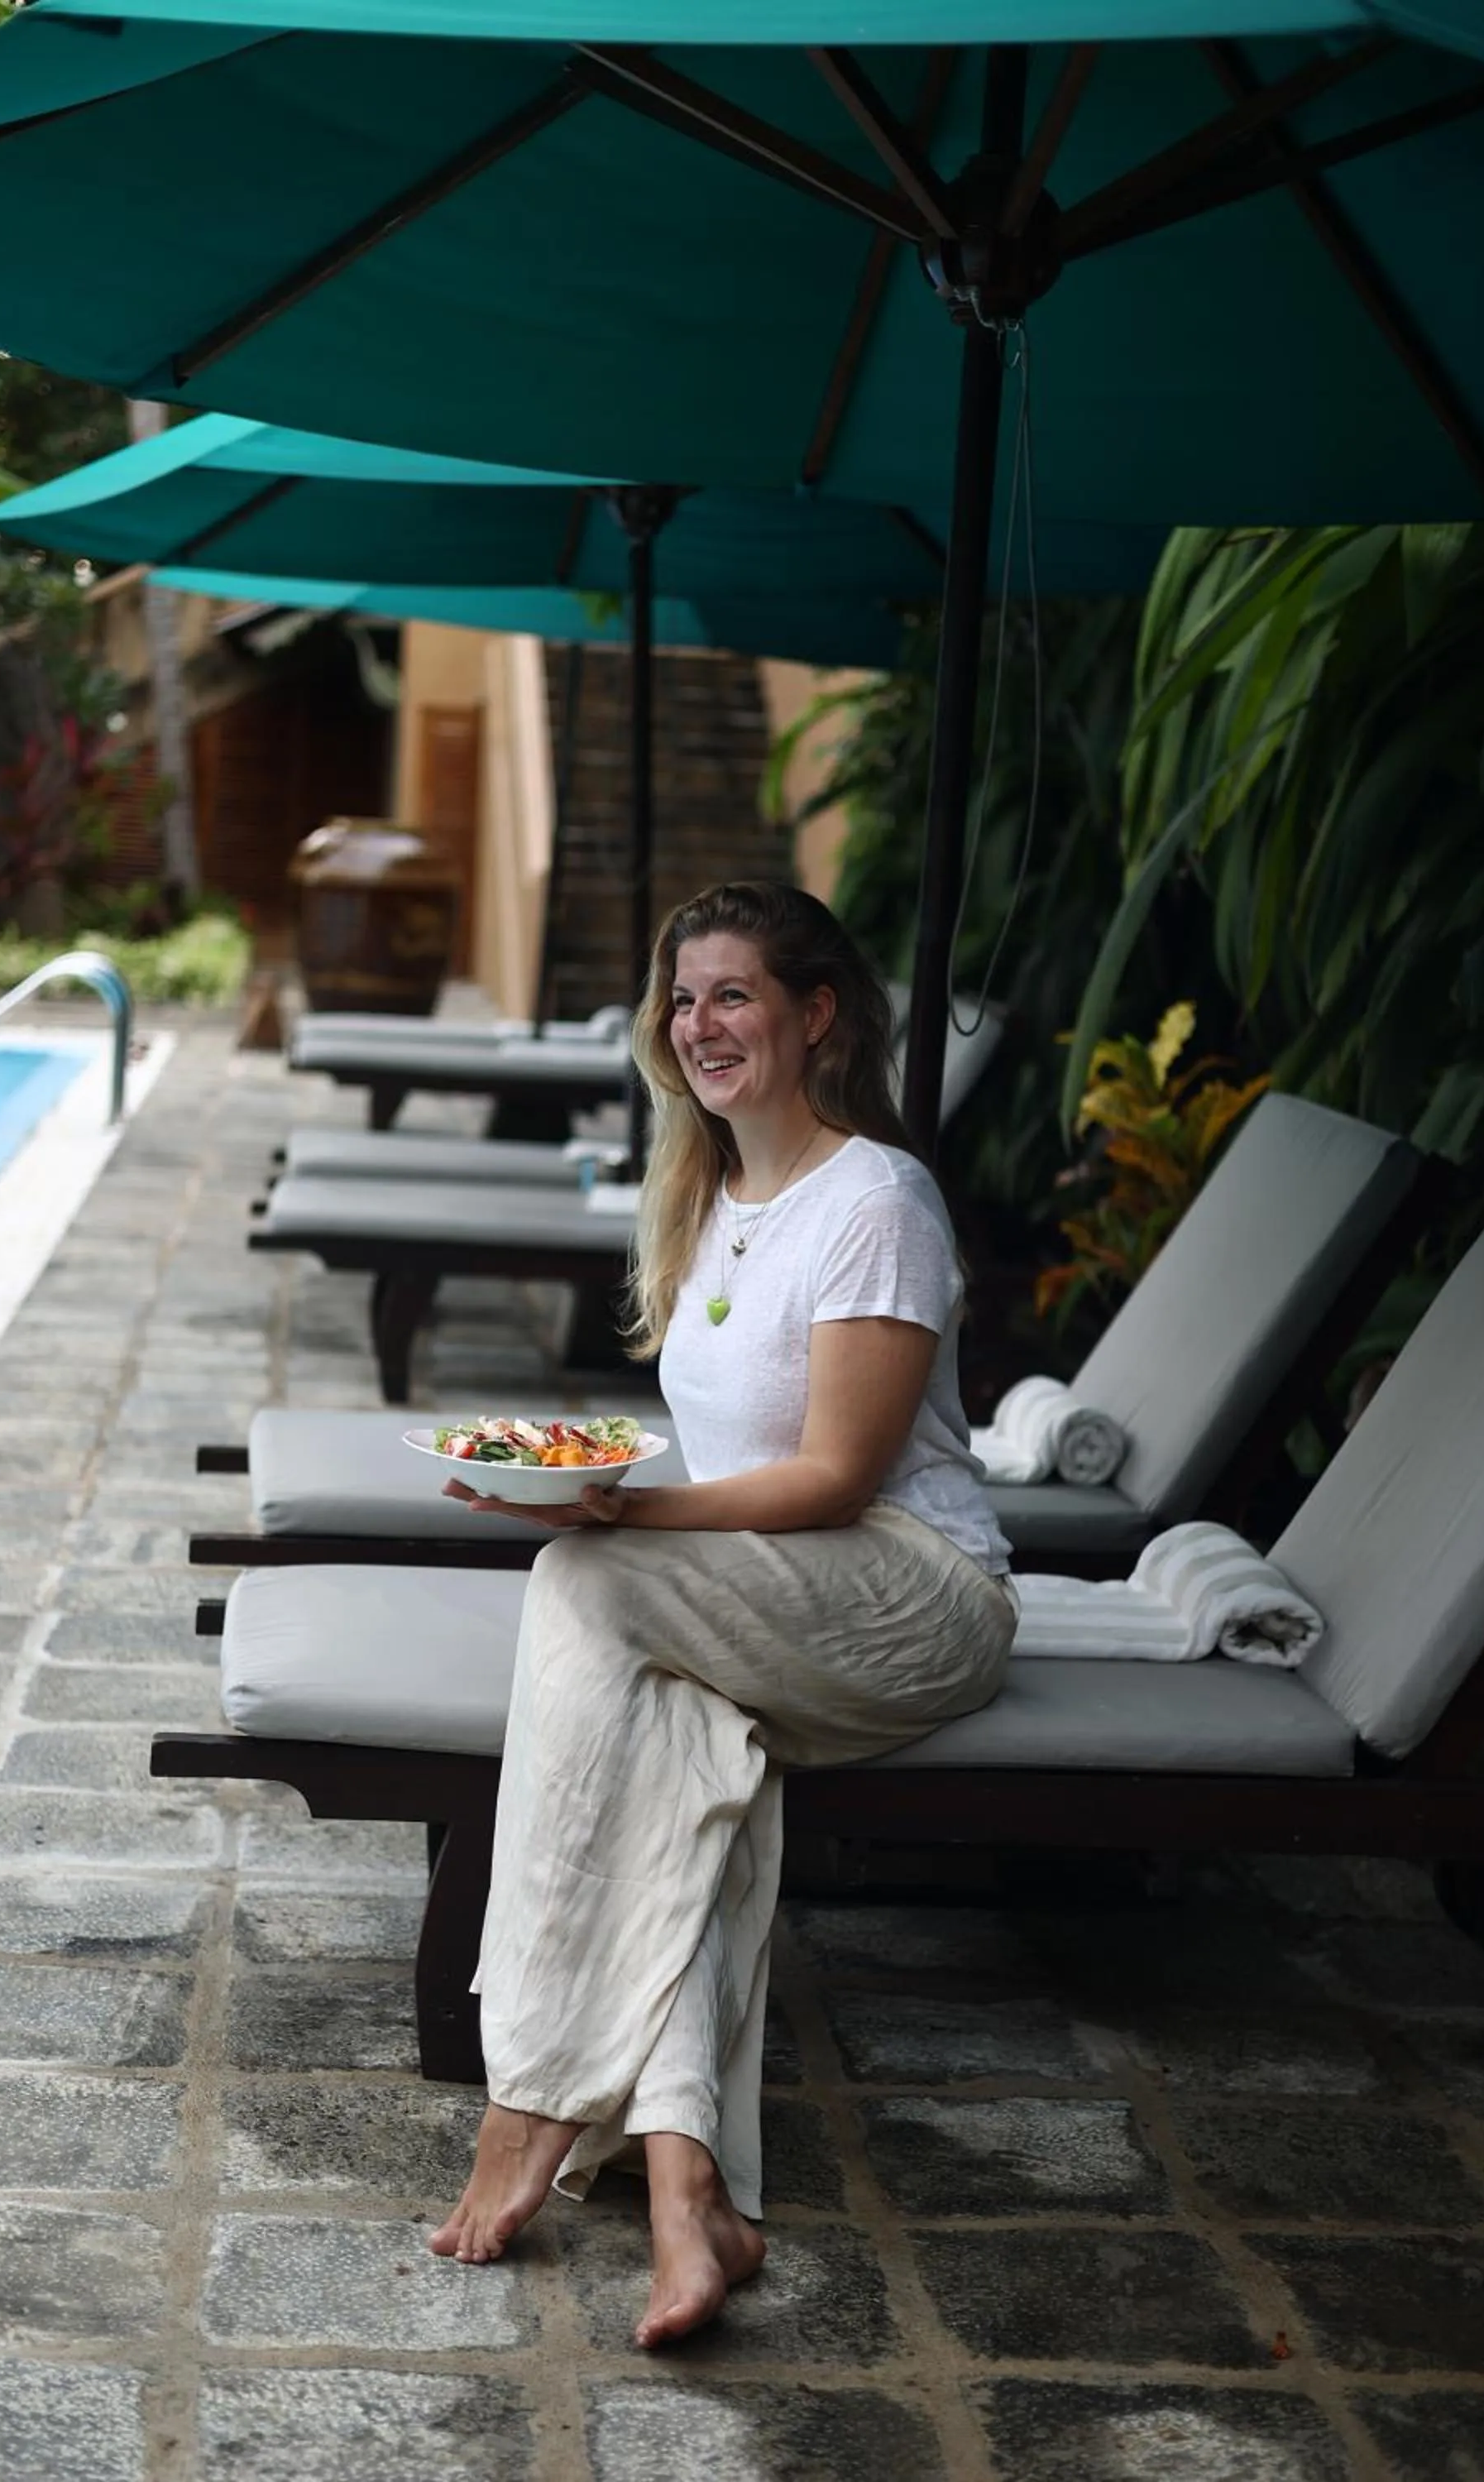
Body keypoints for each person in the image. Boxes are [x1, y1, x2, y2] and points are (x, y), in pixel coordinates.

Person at [429, 881, 1016, 2346]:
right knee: (682, 1763)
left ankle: (528, 2103)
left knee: (584, 1581)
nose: (700, 1025)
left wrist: (619, 1517)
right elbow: (726, 1464)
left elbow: (834, 1477)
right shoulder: (705, 1192)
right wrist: (608, 1491)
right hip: (769, 1593)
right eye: (683, 999)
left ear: (817, 1015)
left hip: (913, 1593)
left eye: (734, 994)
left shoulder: (877, 1199)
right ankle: (692, 2194)